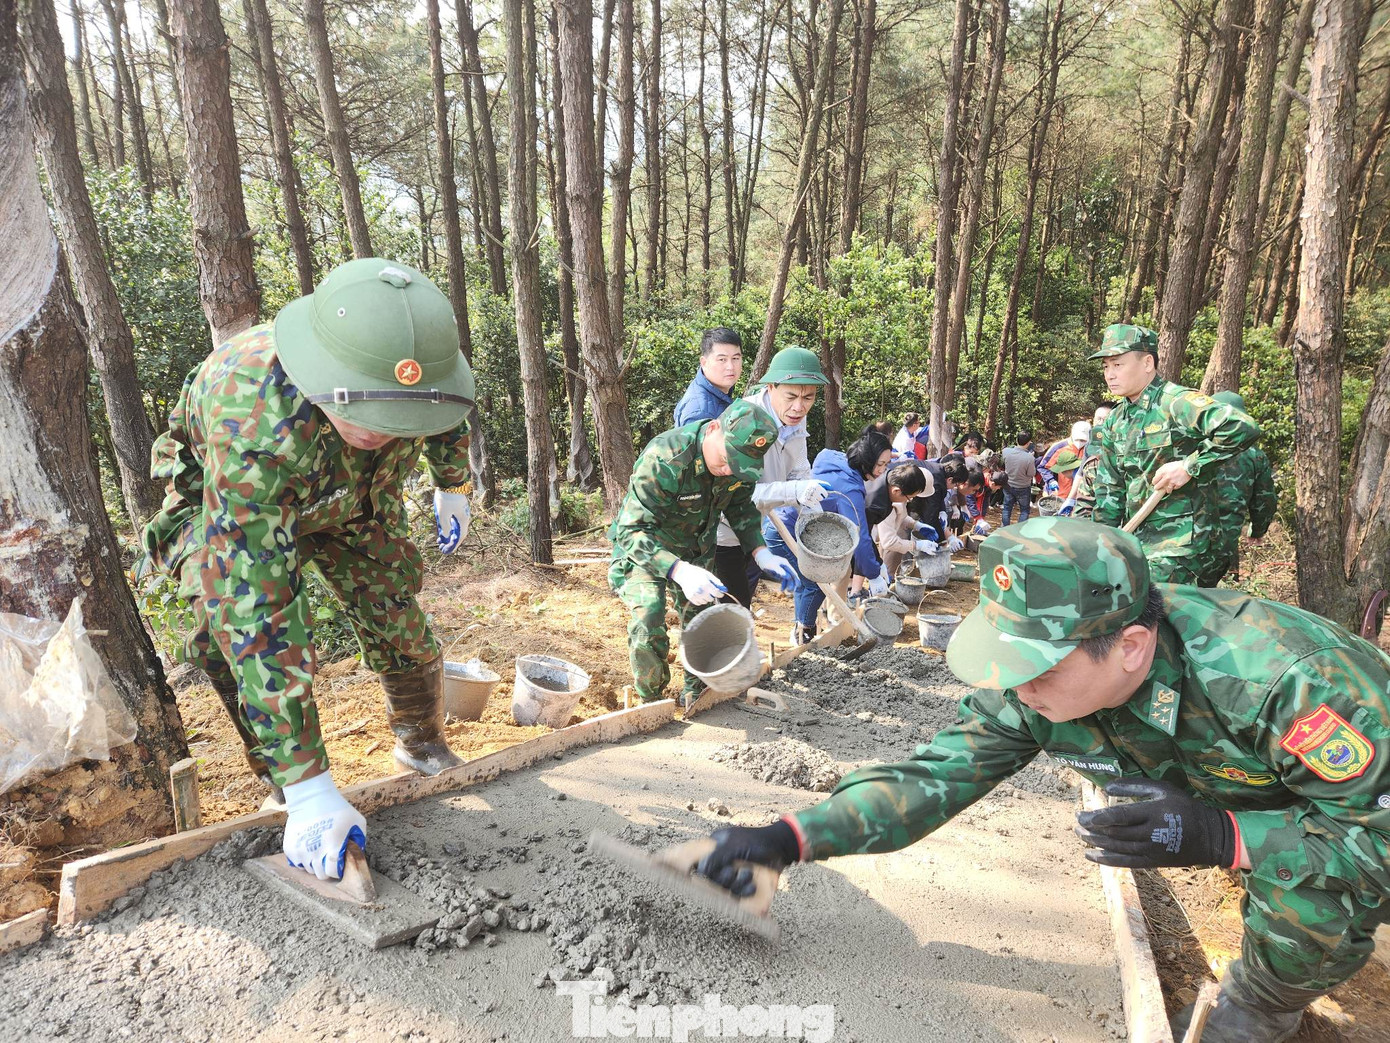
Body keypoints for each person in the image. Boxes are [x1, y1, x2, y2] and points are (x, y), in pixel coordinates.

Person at [695, 517, 1390, 1043]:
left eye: (1038, 667)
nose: (1014, 686)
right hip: (1252, 788)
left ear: (1130, 647)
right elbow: (935, 775)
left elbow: (1376, 841)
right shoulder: (1036, 685)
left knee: (1309, 896)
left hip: (1354, 808)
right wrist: (790, 838)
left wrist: (1222, 834)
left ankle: (1261, 1006)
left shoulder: (1287, 681)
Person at [141, 258, 478, 882]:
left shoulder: (423, 368)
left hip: (354, 500)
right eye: (375, 413)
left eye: (402, 417)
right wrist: (310, 783)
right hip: (223, 502)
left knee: (395, 612)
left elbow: (446, 412)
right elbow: (258, 612)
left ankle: (420, 739)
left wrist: (451, 482)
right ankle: (289, 788)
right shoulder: (250, 418)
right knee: (219, 639)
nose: (385, 430)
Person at [608, 400, 797, 704]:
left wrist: (760, 551)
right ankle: (652, 703)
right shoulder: (666, 458)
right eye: (725, 459)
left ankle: (697, 696)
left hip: (697, 550)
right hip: (647, 548)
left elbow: (740, 508)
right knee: (648, 617)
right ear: (713, 429)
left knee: (702, 625)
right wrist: (678, 571)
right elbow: (632, 532)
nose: (727, 469)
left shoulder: (738, 463)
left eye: (736, 465)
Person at [1089, 323, 1260, 585]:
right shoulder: (1115, 420)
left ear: (1147, 363)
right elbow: (1110, 491)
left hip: (1182, 548)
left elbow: (1241, 426)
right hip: (1138, 544)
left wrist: (1190, 466)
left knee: (1154, 616)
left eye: (1117, 364)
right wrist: (1101, 547)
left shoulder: (1176, 402)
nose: (1109, 374)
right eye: (1105, 367)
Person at [712, 347, 832, 606]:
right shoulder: (746, 420)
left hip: (755, 530)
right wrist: (794, 492)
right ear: (771, 387)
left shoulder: (795, 417)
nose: (799, 407)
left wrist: (811, 511)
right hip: (721, 532)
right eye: (791, 396)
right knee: (729, 609)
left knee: (741, 603)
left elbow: (799, 469)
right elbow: (737, 495)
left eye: (809, 398)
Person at [783, 437, 925, 644]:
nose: (883, 471)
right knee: (814, 582)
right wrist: (875, 573)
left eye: (887, 464)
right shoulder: (852, 488)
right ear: (867, 459)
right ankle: (803, 631)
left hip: (809, 526)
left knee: (813, 581)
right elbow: (859, 535)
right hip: (789, 527)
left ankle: (806, 625)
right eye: (881, 464)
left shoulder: (841, 461)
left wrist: (876, 567)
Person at [1210, 391, 1278, 582]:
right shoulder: (1254, 456)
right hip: (1226, 543)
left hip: (1184, 541)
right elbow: (1265, 501)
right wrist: (1257, 531)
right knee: (1225, 600)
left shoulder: (1191, 447)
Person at [672, 327, 743, 426]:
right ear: (704, 363)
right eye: (722, 359)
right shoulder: (700, 413)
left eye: (735, 358)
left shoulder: (717, 390)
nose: (730, 367)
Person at [1041, 421, 1091, 499]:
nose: (1079, 443)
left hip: (1079, 495)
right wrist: (1051, 481)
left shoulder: (1090, 449)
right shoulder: (1058, 447)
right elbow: (1043, 467)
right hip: (1059, 493)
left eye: (1083, 440)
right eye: (1077, 439)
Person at [1000, 430, 1037, 526]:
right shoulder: (1029, 458)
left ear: (1016, 440)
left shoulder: (1006, 452)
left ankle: (1004, 530)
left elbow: (1001, 464)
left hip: (1008, 485)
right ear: (1029, 443)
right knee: (1024, 511)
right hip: (1023, 487)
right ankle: (1019, 531)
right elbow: (1031, 474)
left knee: (1007, 509)